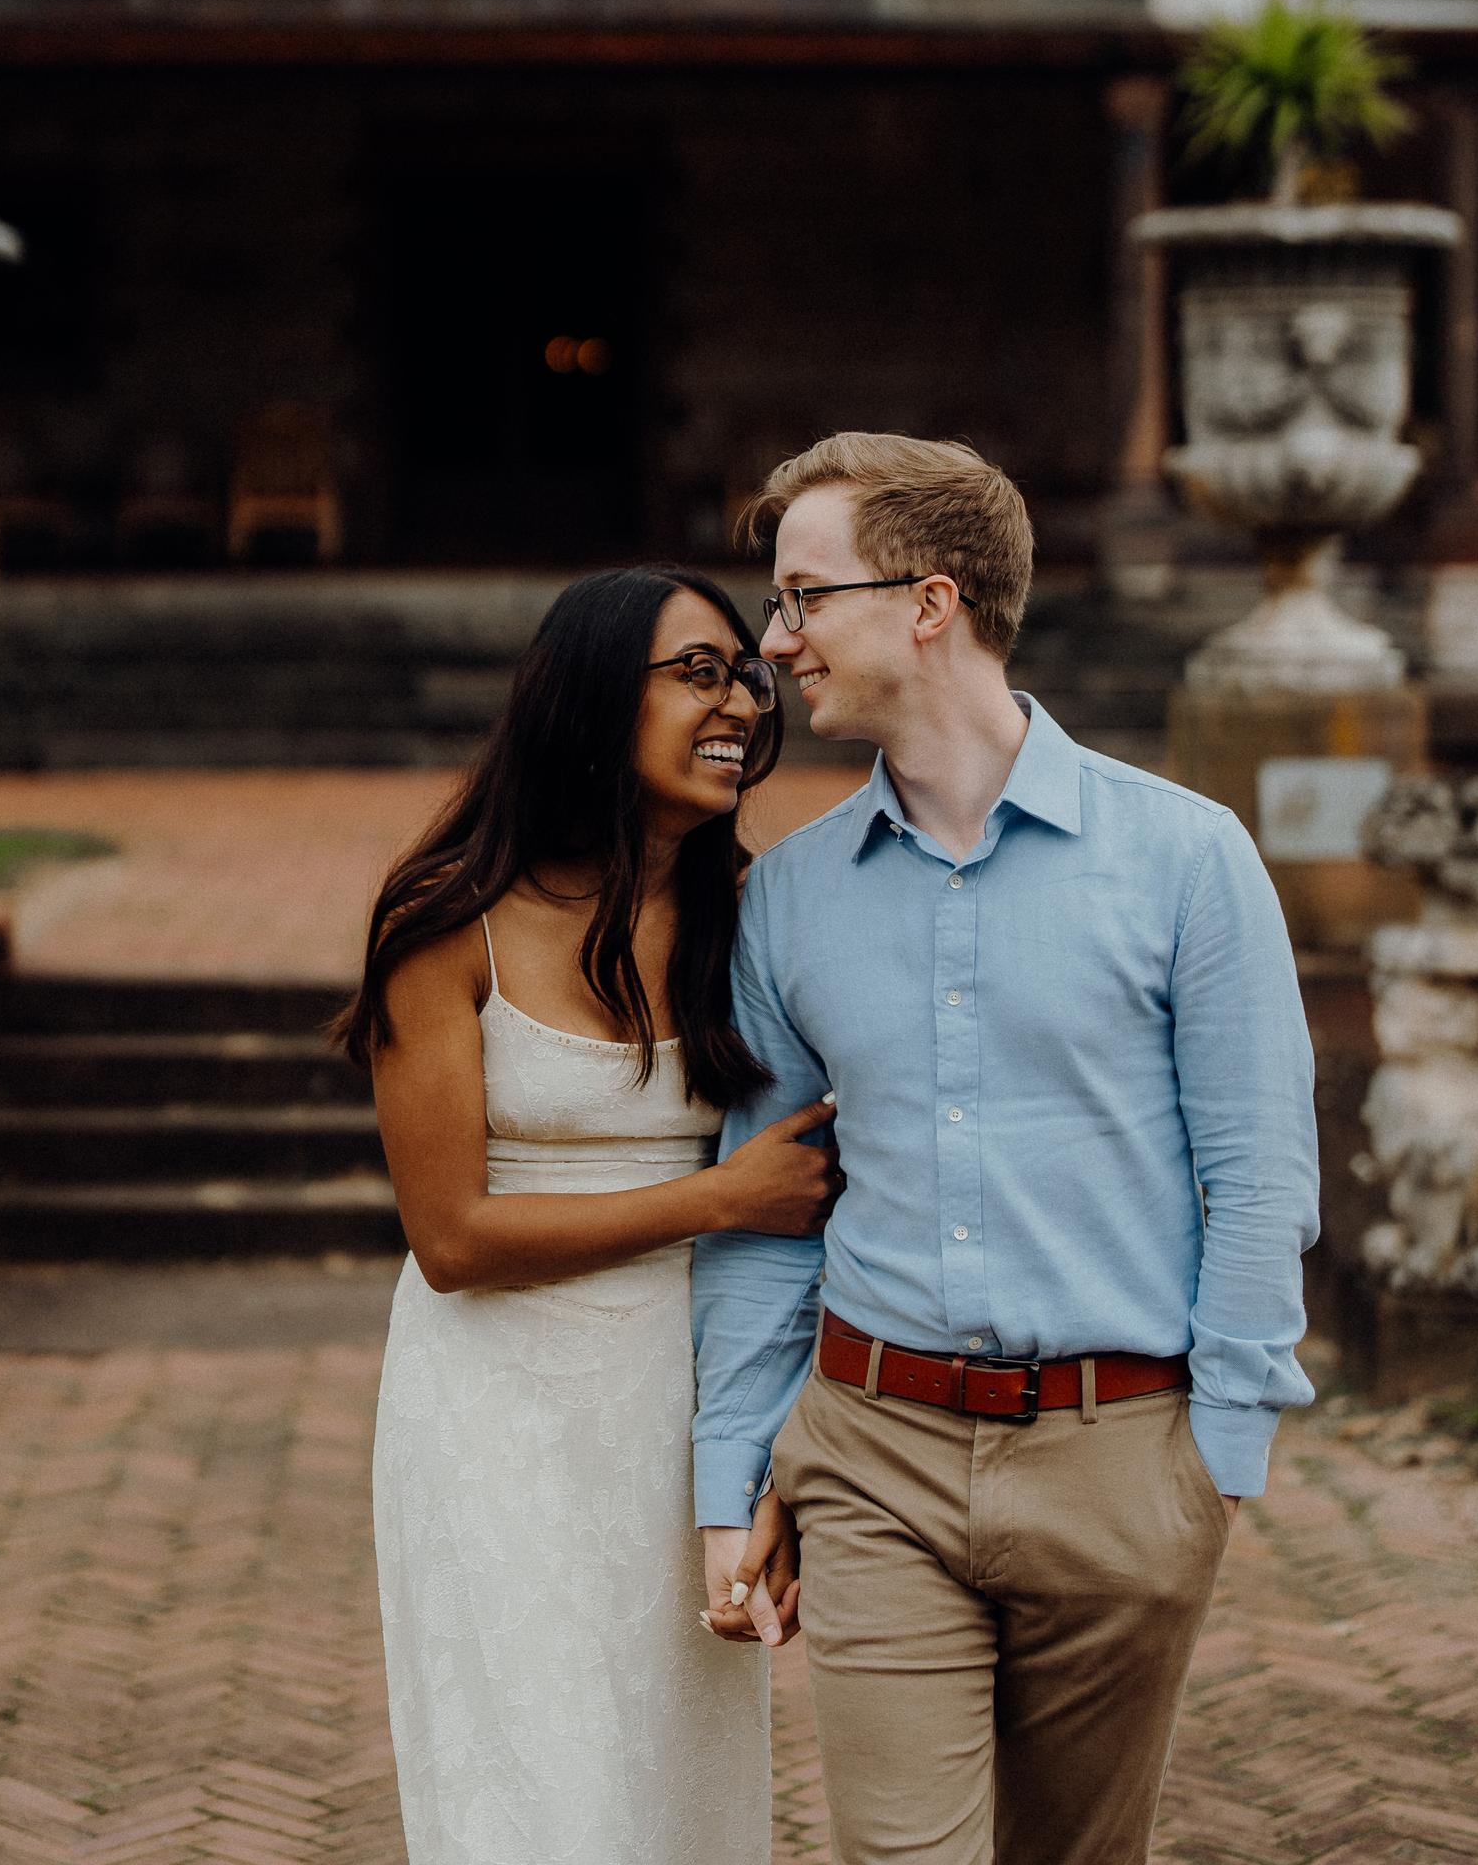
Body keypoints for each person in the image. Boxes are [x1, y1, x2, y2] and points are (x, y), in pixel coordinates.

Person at [695, 434, 1320, 1865]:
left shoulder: (1187, 857)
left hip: (1125, 1463)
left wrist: (1211, 1464)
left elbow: (1261, 1172)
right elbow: (767, 1212)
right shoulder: (786, 902)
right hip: (872, 1456)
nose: (776, 642)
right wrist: (732, 1476)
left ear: (931, 601)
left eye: (804, 597)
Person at [346, 566, 841, 1865]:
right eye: (697, 671)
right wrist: (721, 1197)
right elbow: (451, 1240)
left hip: (686, 1412)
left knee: (683, 1795)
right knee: (530, 1794)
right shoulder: (446, 924)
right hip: (495, 1417)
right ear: (584, 694)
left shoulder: (757, 924)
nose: (737, 699)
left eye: (747, 673)